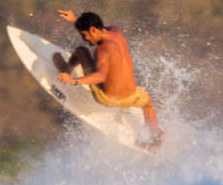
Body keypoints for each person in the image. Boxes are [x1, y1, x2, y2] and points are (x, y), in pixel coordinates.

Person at [52, 9, 163, 148]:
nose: (84, 39)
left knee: (81, 50)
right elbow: (99, 29)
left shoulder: (103, 50)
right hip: (132, 94)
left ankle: (66, 69)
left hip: (108, 98)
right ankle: (154, 140)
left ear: (93, 30)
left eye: (84, 34)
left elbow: (100, 76)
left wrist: (74, 80)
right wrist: (76, 21)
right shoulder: (116, 32)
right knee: (148, 104)